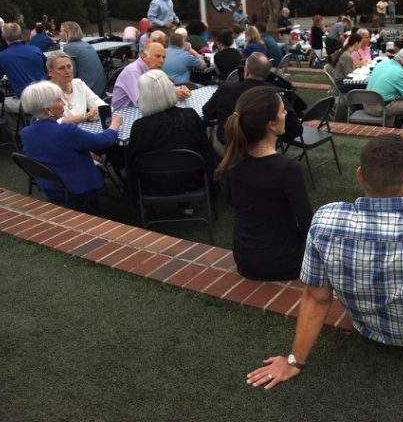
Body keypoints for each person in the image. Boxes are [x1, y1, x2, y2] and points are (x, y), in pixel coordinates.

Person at [246, 135, 403, 422]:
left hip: (365, 326)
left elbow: (316, 297)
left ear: (360, 175)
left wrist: (293, 361)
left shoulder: (325, 220)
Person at [214, 86, 312, 280]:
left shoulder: (231, 163)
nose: (286, 113)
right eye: (282, 110)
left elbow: (234, 204)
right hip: (283, 261)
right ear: (271, 125)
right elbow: (307, 223)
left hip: (244, 257)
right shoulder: (288, 169)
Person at [19, 81, 122, 209]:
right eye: (59, 100)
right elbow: (104, 141)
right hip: (80, 188)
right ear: (48, 110)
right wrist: (114, 125)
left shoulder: (25, 133)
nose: (64, 103)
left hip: (50, 187)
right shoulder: (66, 131)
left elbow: (56, 150)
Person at [126, 69, 216, 203]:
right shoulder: (190, 116)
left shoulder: (140, 127)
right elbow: (206, 150)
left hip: (153, 185)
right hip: (194, 179)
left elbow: (132, 163)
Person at [203, 52, 303, 150]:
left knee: (215, 128)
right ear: (268, 73)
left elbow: (207, 112)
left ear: (246, 71)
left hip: (228, 148)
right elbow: (296, 129)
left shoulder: (226, 89)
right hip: (260, 150)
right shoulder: (276, 95)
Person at [112, 42, 190, 110]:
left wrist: (181, 90)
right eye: (157, 56)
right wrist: (172, 95)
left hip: (143, 113)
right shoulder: (132, 71)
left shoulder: (154, 69)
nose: (162, 61)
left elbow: (170, 87)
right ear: (144, 56)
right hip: (123, 119)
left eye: (163, 57)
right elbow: (141, 102)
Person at [0, 23, 46, 113]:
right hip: (46, 97)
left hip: (27, 102)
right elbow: (46, 70)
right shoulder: (36, 50)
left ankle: (14, 126)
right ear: (20, 35)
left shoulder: (1, 57)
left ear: (3, 36)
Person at [365, 48, 403, 130]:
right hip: (379, 109)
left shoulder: (382, 63)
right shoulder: (401, 73)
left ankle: (390, 126)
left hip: (365, 103)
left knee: (393, 98)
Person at [46, 51, 106, 124]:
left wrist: (96, 111)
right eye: (61, 68)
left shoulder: (78, 84)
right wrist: (85, 116)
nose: (67, 71)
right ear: (50, 72)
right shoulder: (46, 91)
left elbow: (105, 107)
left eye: (69, 66)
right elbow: (53, 123)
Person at [59, 21, 107, 97]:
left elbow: (70, 74)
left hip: (88, 91)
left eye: (61, 31)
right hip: (100, 88)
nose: (59, 33)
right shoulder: (86, 44)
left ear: (67, 33)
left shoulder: (69, 48)